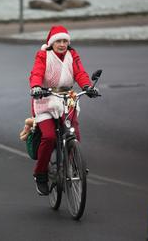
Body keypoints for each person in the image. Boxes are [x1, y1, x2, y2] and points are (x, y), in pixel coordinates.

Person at [29, 25, 98, 196]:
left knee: (73, 130)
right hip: (45, 99)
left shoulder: (72, 55)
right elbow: (36, 73)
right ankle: (41, 174)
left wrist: (87, 86)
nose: (62, 44)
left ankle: (75, 165)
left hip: (67, 99)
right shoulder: (43, 55)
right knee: (49, 136)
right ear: (52, 43)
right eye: (58, 41)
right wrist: (36, 86)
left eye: (65, 41)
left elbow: (80, 73)